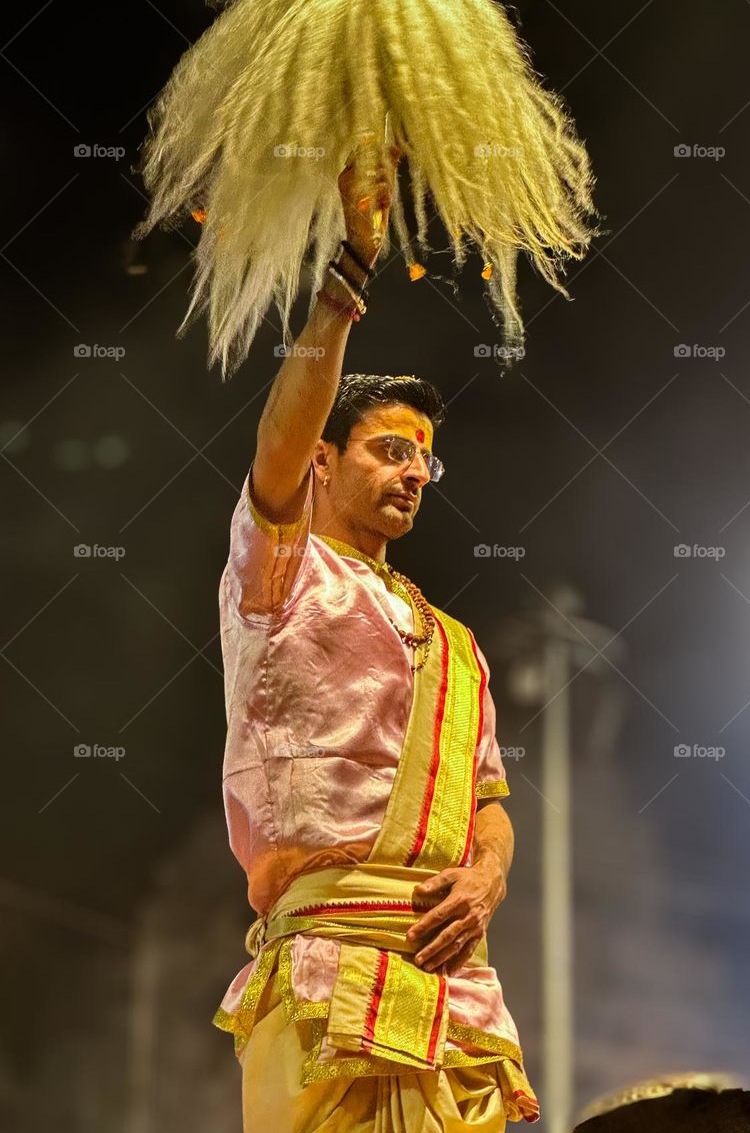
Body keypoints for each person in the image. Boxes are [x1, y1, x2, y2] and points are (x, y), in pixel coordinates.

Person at [212, 143, 541, 1132]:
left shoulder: (456, 640)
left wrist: (485, 877)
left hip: (452, 987)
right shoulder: (281, 576)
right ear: (324, 461)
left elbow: (490, 799)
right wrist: (349, 275)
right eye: (389, 448)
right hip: (326, 972)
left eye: (425, 460)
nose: (412, 471)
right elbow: (275, 441)